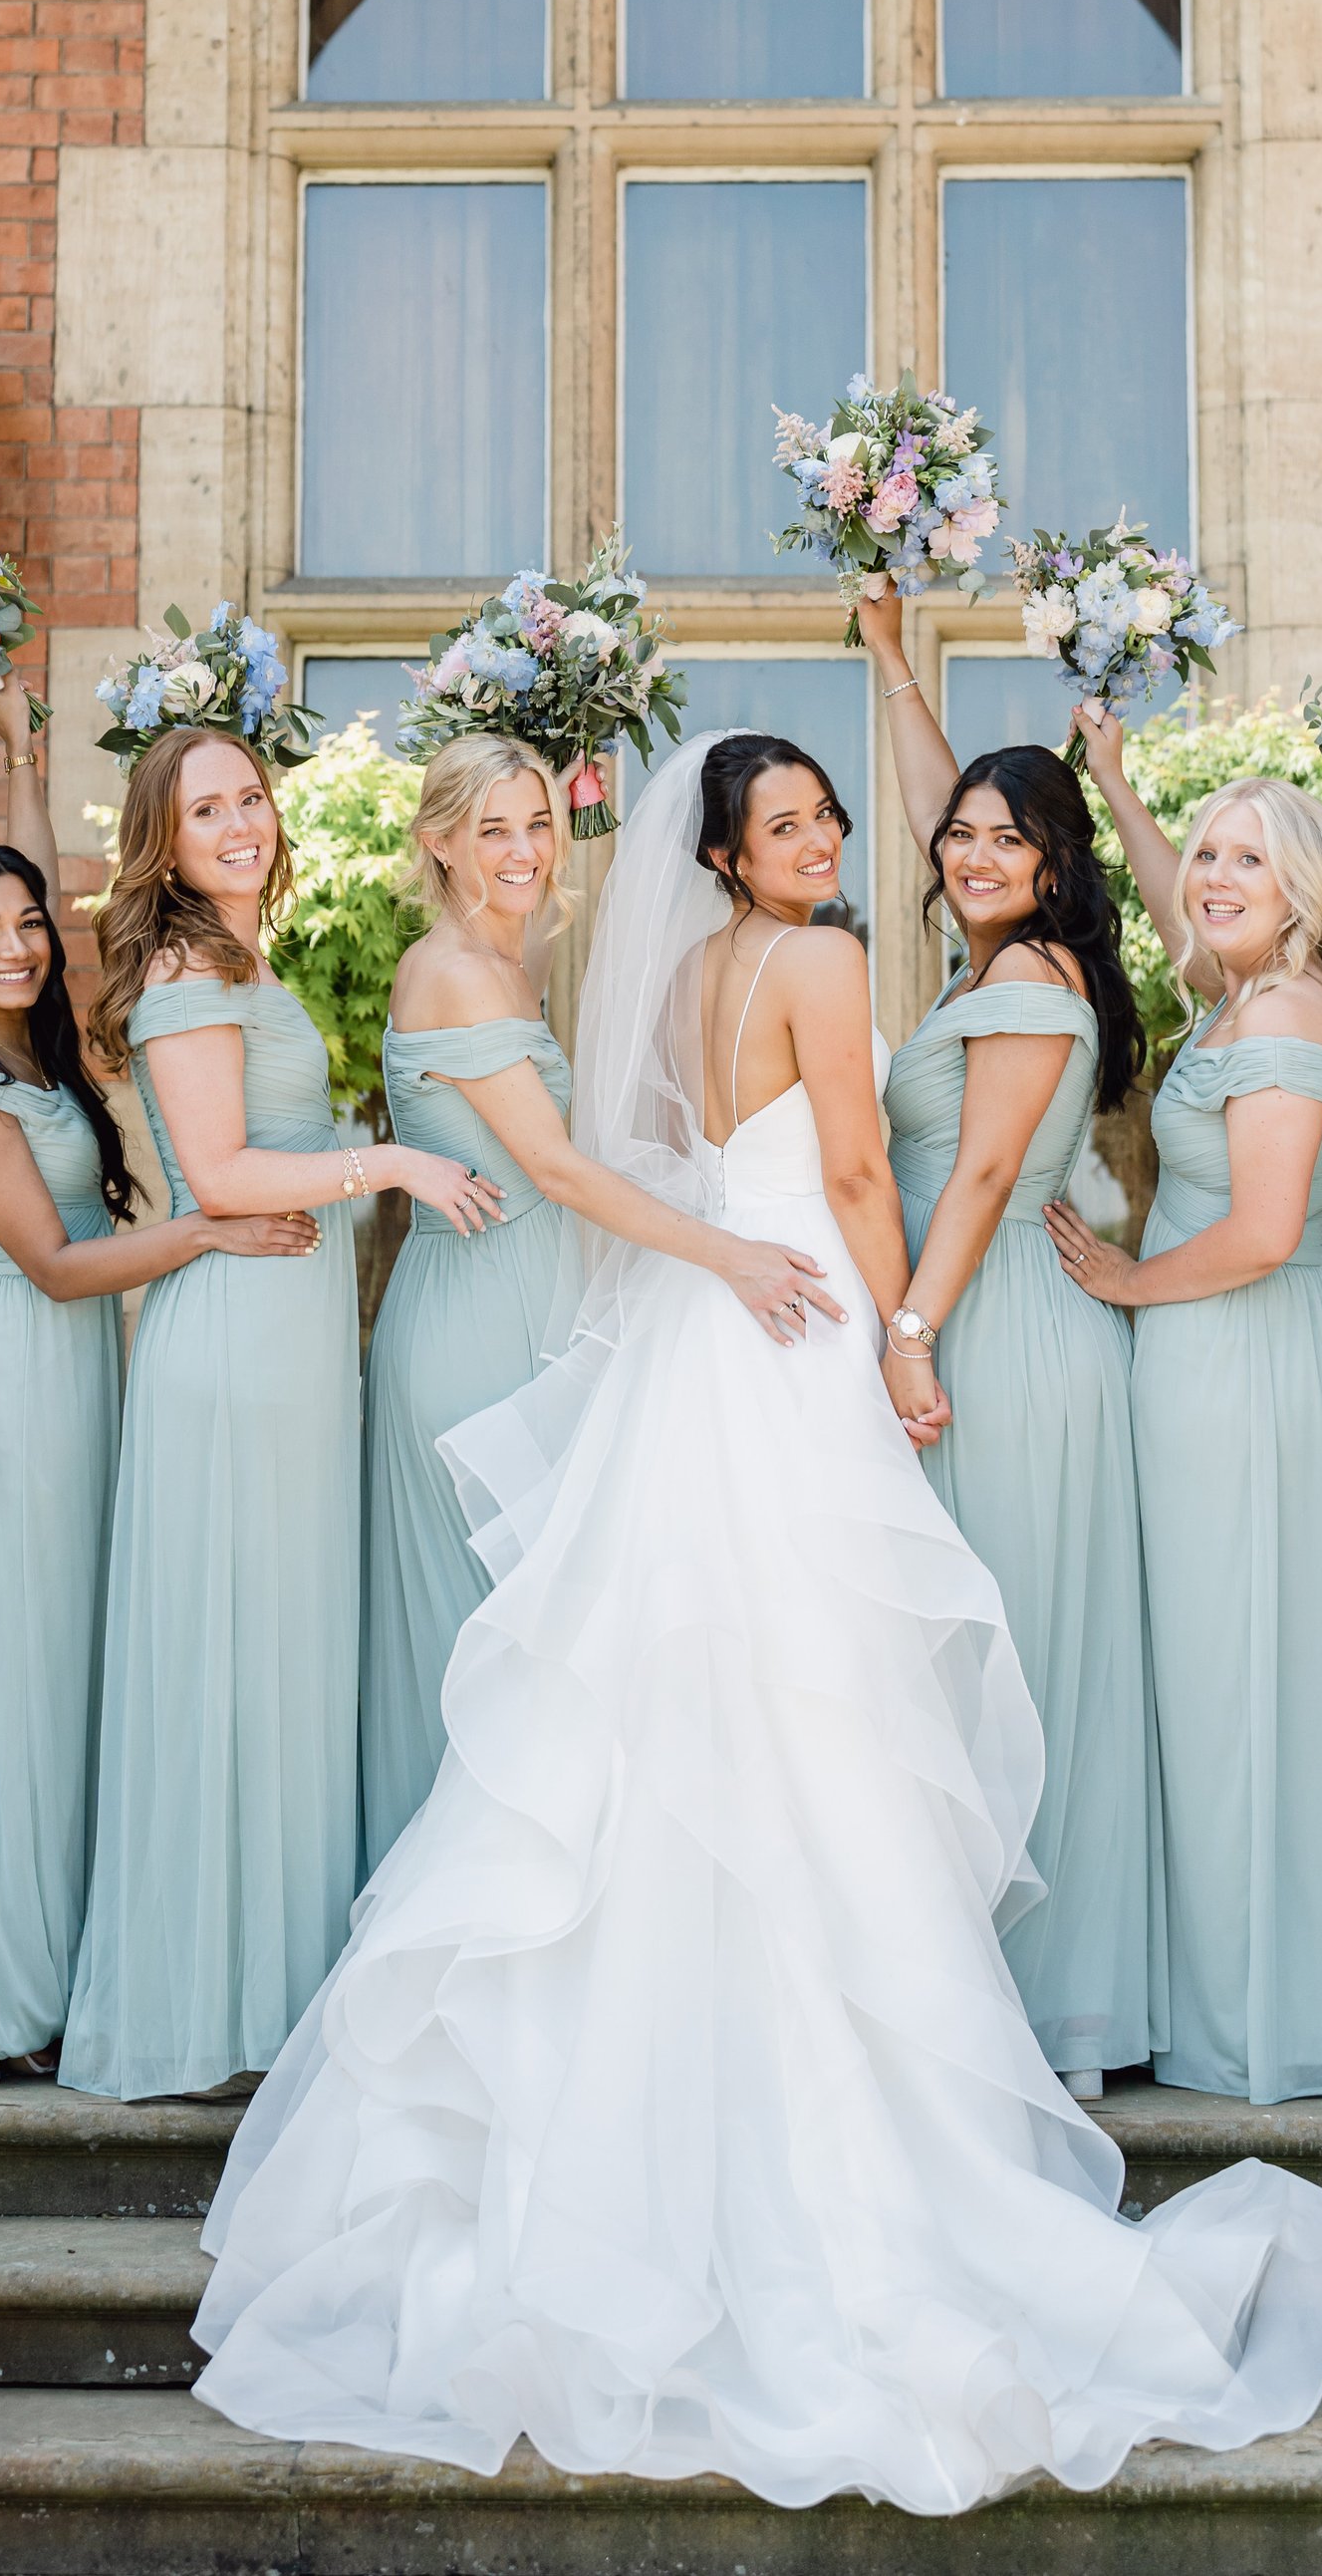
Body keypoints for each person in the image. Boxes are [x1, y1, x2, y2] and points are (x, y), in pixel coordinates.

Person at [187, 735, 1322, 2511]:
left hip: (693, 1336)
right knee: (816, 1716)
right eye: (788, 827)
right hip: (800, 1325)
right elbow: (860, 1174)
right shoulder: (823, 962)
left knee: (657, 1718)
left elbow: (682, 1162)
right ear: (731, 857)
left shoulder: (676, 977)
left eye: (829, 818)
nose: (822, 845)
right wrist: (902, 1337)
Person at [0, 675, 319, 2082]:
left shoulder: (44, 1051)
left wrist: (28, 763)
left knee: (50, 1687)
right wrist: (208, 1222)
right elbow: (58, 1264)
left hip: (80, 1389)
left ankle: (21, 1970)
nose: (20, 945)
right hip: (5, 1392)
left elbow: (85, 911)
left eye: (29, 921)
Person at [58, 722, 505, 2104]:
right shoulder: (188, 971)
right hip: (239, 1352)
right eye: (208, 809)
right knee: (229, 1659)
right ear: (167, 840)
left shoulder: (247, 960)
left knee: (284, 1661)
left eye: (252, 796)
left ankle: (274, 1998)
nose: (241, 822)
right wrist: (392, 1158)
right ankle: (205, 2005)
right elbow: (218, 1165)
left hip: (297, 1347)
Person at [363, 731, 844, 1867]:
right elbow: (563, 1172)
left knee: (538, 1636)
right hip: (471, 1321)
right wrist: (729, 1254)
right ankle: (439, 1928)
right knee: (475, 1627)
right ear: (437, 843)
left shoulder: (512, 966)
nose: (525, 849)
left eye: (538, 822)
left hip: (534, 1302)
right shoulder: (453, 971)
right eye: (492, 829)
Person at [1046, 738, 1322, 2103]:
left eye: (1248, 859)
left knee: (1266, 1664)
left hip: (1262, 1363)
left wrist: (1126, 1280)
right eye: (1209, 853)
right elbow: (1171, 899)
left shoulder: (1286, 1019)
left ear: (1306, 894)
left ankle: (1306, 2002)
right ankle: (1227, 1983)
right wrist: (1111, 777)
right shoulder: (1235, 994)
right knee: (1213, 1671)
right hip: (1206, 1361)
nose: (1213, 878)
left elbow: (1268, 1230)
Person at [860, 594, 1160, 2101]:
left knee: (1014, 1661)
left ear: (1056, 870)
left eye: (1006, 841)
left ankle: (1040, 2004)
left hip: (1002, 1341)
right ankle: (968, 1981)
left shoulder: (1033, 980)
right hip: (972, 1323)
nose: (971, 853)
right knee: (965, 1663)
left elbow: (979, 1174)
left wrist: (911, 1329)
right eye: (961, 837)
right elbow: (937, 801)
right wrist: (893, 656)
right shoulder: (995, 962)